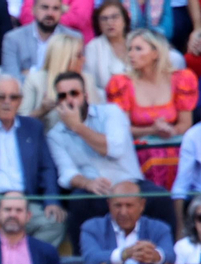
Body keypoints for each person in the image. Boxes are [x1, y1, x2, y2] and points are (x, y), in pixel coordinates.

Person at [49, 70, 177, 250]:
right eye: (63, 95)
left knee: (160, 197)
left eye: (74, 93)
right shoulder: (55, 134)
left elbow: (112, 149)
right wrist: (87, 183)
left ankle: (167, 256)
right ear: (58, 102)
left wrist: (77, 127)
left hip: (130, 183)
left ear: (85, 96)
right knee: (78, 202)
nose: (69, 100)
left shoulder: (111, 112)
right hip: (95, 188)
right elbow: (66, 173)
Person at [0, 74, 67, 245]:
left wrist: (51, 201)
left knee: (54, 221)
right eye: (1, 97)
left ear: (20, 101)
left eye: (13, 97)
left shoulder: (33, 127)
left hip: (24, 200)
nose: (7, 102)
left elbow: (47, 168)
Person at [104, 29, 196, 188]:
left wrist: (171, 131)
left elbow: (185, 123)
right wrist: (152, 129)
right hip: (138, 149)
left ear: (155, 53)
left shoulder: (181, 79)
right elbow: (122, 128)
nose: (131, 54)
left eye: (138, 49)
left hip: (173, 145)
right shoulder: (121, 84)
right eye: (130, 49)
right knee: (153, 158)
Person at [80, 179, 174, 264]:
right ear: (109, 204)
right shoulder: (92, 228)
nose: (123, 212)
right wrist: (124, 254)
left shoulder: (159, 228)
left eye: (129, 206)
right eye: (118, 205)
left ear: (142, 205)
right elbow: (91, 258)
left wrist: (155, 256)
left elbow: (170, 255)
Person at [21, 31, 91, 127]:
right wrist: (42, 110)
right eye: (79, 55)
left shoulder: (87, 79)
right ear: (64, 58)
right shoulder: (35, 80)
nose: (84, 59)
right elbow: (20, 125)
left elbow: (96, 118)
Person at [2, 0, 81, 76]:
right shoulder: (13, 39)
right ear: (33, 10)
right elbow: (11, 78)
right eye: (45, 7)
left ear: (61, 12)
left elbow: (74, 77)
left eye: (55, 8)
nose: (50, 13)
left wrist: (31, 73)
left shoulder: (74, 38)